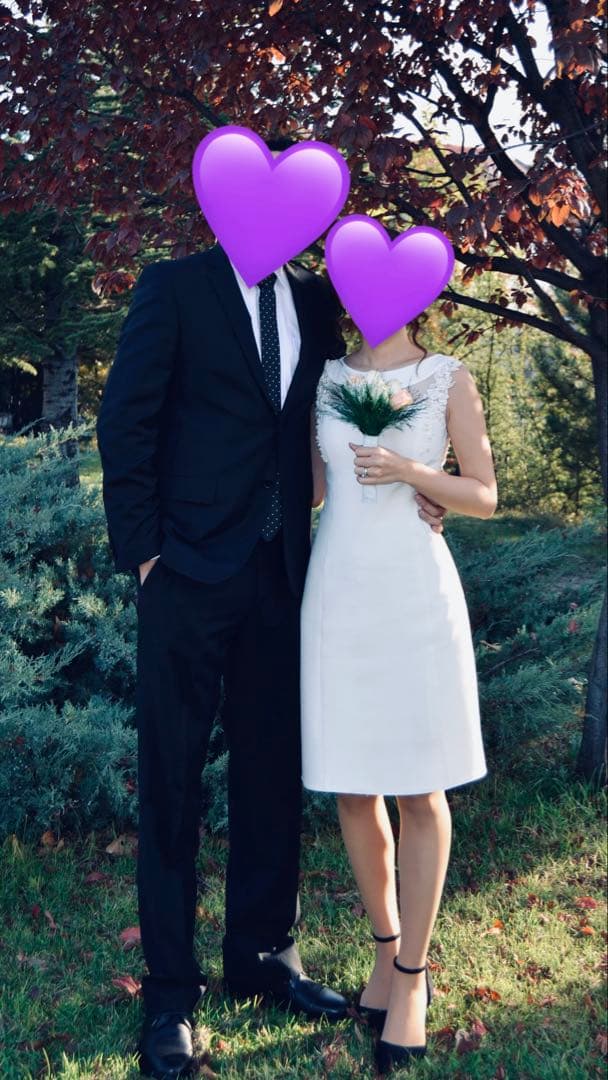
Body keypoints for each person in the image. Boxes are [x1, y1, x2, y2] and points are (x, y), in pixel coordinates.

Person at [96, 138, 358, 1072]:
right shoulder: (173, 288)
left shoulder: (314, 302)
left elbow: (328, 420)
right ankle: (171, 995)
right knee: (172, 782)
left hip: (282, 575)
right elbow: (125, 421)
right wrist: (145, 555)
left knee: (272, 772)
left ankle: (262, 957)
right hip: (185, 576)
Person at [300, 325, 496, 1074]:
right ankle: (385, 949)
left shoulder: (449, 377)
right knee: (353, 788)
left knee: (420, 788)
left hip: (414, 593)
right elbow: (313, 488)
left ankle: (413, 974)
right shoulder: (324, 378)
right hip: (338, 590)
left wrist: (415, 474)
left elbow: (483, 495)